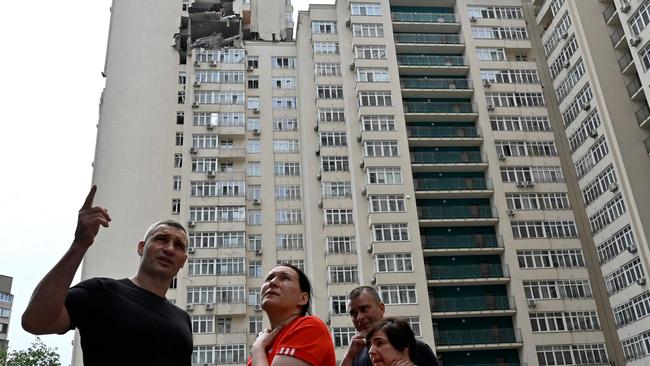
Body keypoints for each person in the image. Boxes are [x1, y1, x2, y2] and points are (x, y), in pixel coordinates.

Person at [22, 185, 193, 365]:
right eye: (161, 239)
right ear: (141, 247)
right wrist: (79, 244)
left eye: (179, 245)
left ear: (183, 261)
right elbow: (35, 321)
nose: (169, 249)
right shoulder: (101, 291)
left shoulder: (182, 319)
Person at [249, 263, 336, 366]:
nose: (272, 282)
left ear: (302, 298)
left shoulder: (310, 326)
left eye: (285, 278)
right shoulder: (264, 343)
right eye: (269, 278)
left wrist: (257, 349)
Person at [341, 286, 438, 366]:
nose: (359, 318)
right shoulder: (355, 356)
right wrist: (348, 356)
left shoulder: (416, 348)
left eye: (364, 309)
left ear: (381, 308)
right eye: (353, 314)